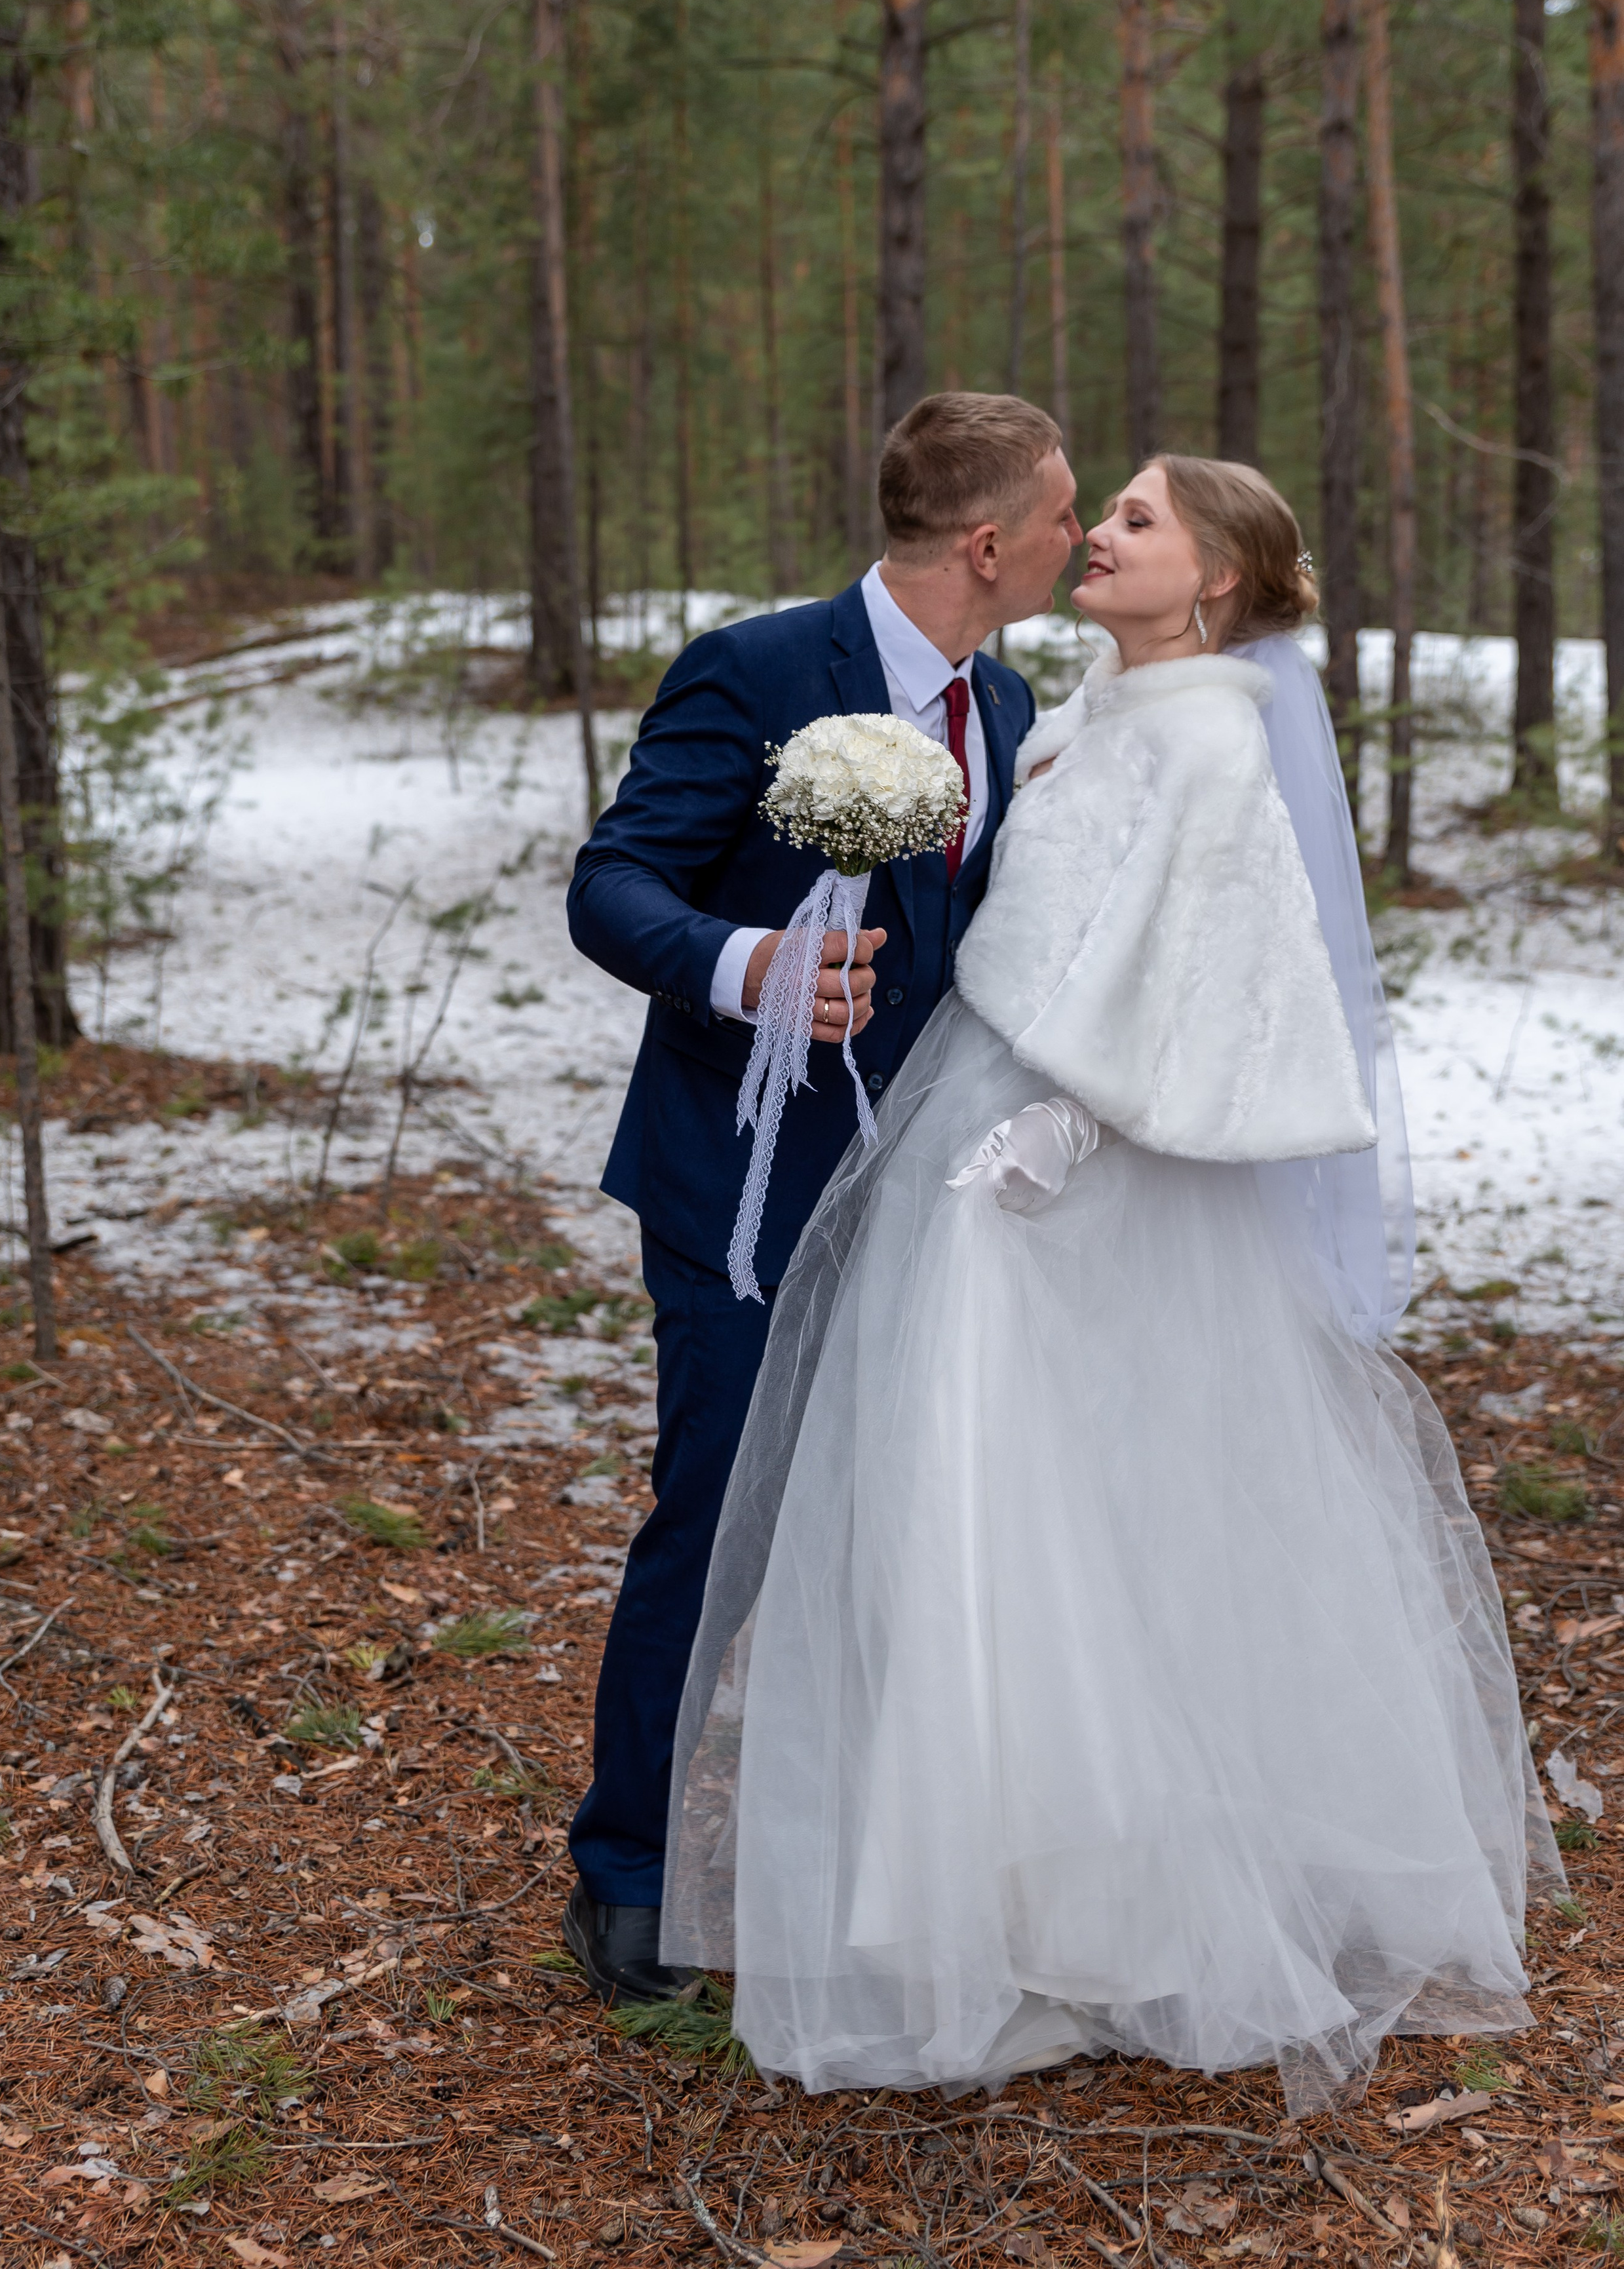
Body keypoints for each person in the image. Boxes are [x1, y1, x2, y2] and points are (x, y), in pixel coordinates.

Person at [663, 454, 1562, 2116]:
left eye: (1139, 519)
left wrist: (1069, 1125)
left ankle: (1101, 1901)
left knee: (1068, 1514)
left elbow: (1213, 971)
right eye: (1102, 510)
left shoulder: (1215, 732)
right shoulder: (1076, 701)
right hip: (980, 1136)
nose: (1098, 536)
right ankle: (985, 1891)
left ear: (1215, 579)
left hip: (1070, 1171)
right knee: (977, 1510)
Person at [562, 394, 1083, 2002]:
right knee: (715, 1517)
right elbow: (612, 881)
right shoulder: (761, 667)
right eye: (1063, 513)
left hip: (925, 1192)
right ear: (987, 542)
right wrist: (751, 963)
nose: (1079, 536)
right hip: (740, 1175)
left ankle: (851, 1845)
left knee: (897, 1521)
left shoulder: (1003, 699)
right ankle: (629, 1865)